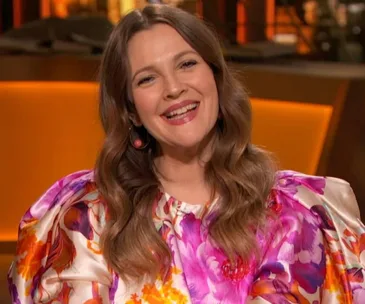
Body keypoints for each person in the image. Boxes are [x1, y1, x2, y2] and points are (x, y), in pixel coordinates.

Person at [8, 4, 365, 303]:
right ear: (131, 111)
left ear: (216, 77)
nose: (174, 88)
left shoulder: (295, 213)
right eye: (147, 79)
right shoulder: (90, 219)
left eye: (187, 64)